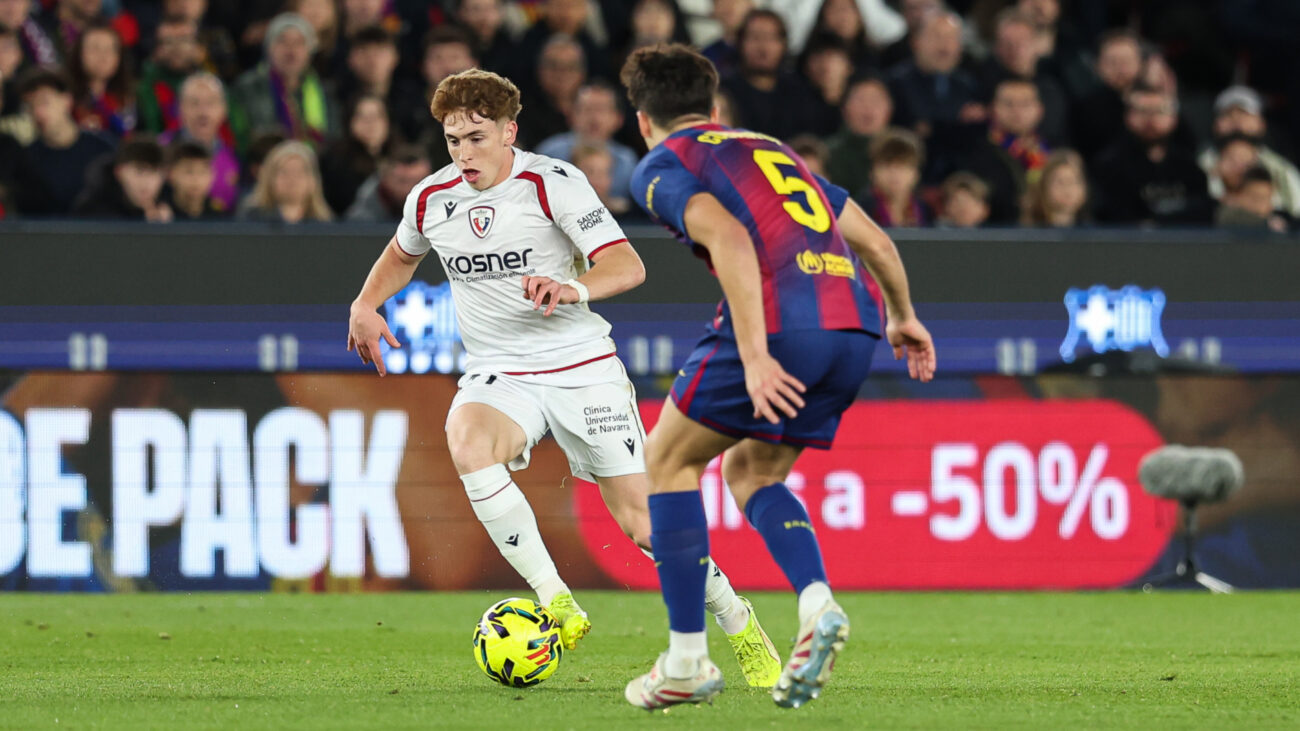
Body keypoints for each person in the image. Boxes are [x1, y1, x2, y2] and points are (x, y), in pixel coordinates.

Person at [345, 67, 782, 689]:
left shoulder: (553, 184)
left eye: (476, 138)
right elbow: (400, 255)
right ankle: (556, 599)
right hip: (501, 372)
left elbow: (627, 265)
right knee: (467, 440)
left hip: (581, 368)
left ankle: (738, 620)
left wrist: (572, 287)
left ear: (509, 132)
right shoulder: (431, 198)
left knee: (644, 526)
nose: (464, 153)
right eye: (453, 140)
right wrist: (366, 303)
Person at [621, 43, 935, 710]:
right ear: (713, 108)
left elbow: (731, 239)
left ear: (643, 120)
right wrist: (905, 316)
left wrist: (757, 354)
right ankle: (817, 603)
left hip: (783, 322)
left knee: (667, 461)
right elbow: (876, 241)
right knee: (752, 471)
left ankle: (686, 659)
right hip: (856, 323)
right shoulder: (772, 149)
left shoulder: (664, 161)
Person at [1092, 84, 1213, 226]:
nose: (1150, 119)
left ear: (1174, 118)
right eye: (1142, 111)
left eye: (1159, 111)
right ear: (1127, 116)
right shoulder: (1109, 166)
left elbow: (1203, 213)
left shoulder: (1190, 168)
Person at [887, 10, 983, 184]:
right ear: (916, 42)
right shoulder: (896, 83)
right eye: (936, 36)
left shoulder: (968, 86)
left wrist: (933, 127)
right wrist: (955, 124)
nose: (944, 45)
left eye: (951, 38)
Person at [227, 12, 340, 155]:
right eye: (282, 41)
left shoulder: (325, 91)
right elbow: (241, 136)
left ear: (310, 51)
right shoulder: (247, 88)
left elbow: (333, 140)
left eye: (299, 43)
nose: (291, 50)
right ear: (269, 48)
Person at [12, 66, 114, 216]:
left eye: (44, 102)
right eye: (30, 106)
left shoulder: (103, 149)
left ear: (67, 101)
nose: (37, 112)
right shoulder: (26, 159)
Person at [956, 77, 1049, 224]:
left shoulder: (1052, 151)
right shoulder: (973, 151)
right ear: (992, 109)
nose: (1017, 111)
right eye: (1008, 104)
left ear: (1039, 110)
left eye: (1025, 104)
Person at [1198, 86, 1300, 218]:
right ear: (1215, 125)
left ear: (1261, 123)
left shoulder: (1282, 171)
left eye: (1244, 113)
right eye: (1227, 114)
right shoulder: (1199, 167)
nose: (1236, 120)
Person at [534, 81, 639, 198]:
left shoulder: (627, 162)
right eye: (587, 109)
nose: (594, 118)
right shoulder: (549, 154)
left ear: (618, 119)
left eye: (602, 110)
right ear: (571, 115)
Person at [158, 72, 239, 211]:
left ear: (224, 110)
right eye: (194, 103)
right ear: (180, 108)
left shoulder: (233, 157)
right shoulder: (161, 150)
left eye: (211, 103)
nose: (203, 112)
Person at [320, 93, 394, 215]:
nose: (370, 124)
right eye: (362, 117)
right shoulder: (334, 162)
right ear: (350, 122)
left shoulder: (400, 158)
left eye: (376, 116)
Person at [73, 135, 171, 221]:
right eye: (139, 172)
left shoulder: (172, 205)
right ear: (119, 172)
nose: (146, 182)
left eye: (154, 172)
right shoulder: (92, 212)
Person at [824, 74, 892, 195]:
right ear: (844, 108)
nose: (868, 107)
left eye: (875, 100)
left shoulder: (901, 150)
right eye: (860, 100)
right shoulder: (827, 153)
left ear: (889, 110)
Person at [135, 14, 202, 134]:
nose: (177, 48)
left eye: (184, 40)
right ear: (156, 49)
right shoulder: (144, 89)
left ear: (198, 47)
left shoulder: (211, 86)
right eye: (168, 42)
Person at [236, 138, 332, 223]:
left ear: (312, 180)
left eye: (299, 172)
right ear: (269, 178)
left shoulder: (326, 225)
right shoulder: (249, 221)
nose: (292, 179)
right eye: (284, 172)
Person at [68, 22, 135, 137]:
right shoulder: (66, 97)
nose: (103, 56)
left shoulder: (129, 97)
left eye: (110, 49)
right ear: (79, 53)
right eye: (95, 48)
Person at [856, 127, 931, 227]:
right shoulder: (859, 211)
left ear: (916, 174)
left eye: (902, 166)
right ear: (872, 172)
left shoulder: (926, 211)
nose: (894, 173)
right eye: (886, 165)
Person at [345, 142, 431, 222]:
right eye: (403, 181)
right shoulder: (359, 221)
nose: (412, 189)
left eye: (419, 182)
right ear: (385, 178)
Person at [1021, 148, 1088, 226]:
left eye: (1073, 181)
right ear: (1044, 186)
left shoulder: (1091, 229)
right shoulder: (1029, 229)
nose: (1067, 189)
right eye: (1060, 182)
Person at [163, 139, 225, 219]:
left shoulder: (220, 217)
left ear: (213, 175)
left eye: (203, 171)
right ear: (171, 174)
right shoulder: (157, 216)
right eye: (189, 171)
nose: (196, 179)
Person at [1216, 165, 1288, 233]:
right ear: (1238, 196)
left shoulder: (1277, 220)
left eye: (1266, 199)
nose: (1259, 205)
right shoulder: (1228, 216)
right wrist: (1266, 224)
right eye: (1255, 198)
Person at [700, 0, 753, 78]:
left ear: (750, 6)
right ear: (713, 11)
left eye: (736, 1)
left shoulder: (765, 52)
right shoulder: (706, 56)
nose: (729, 7)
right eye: (722, 2)